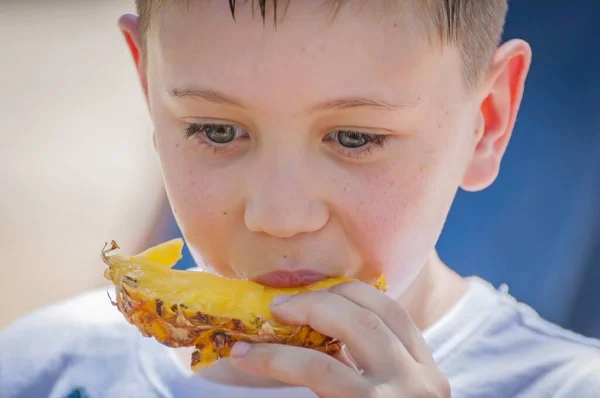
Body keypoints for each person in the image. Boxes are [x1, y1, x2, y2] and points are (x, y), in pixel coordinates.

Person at [1, 1, 599, 397]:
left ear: (486, 122)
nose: (279, 218)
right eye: (215, 130)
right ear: (148, 91)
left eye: (355, 137)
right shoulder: (38, 370)